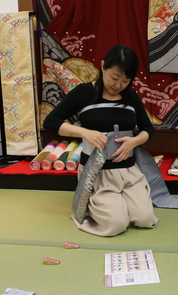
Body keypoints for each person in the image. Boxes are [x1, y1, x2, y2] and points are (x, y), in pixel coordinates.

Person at [43, 44, 159, 236]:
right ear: (103, 66)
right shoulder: (84, 93)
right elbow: (50, 122)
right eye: (114, 77)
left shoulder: (130, 96)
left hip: (129, 172)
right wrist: (83, 132)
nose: (118, 85)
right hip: (99, 174)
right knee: (116, 224)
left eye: (125, 80)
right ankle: (92, 201)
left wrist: (135, 141)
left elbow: (148, 129)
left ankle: (119, 202)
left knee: (145, 220)